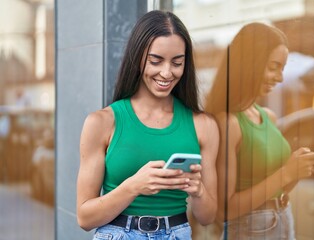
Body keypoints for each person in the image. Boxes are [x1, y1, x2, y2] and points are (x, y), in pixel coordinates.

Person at [76, 10, 219, 240]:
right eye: (156, 60)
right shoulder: (101, 122)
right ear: (138, 57)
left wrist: (198, 191)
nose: (166, 72)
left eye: (177, 63)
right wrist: (134, 186)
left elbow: (208, 217)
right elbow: (85, 218)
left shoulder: (204, 125)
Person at [205, 22, 314, 239]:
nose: (280, 78)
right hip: (251, 228)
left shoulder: (268, 116)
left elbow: (276, 188)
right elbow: (224, 210)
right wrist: (287, 173)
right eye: (273, 67)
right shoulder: (228, 123)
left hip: (282, 217)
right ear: (249, 64)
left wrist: (298, 170)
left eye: (282, 69)